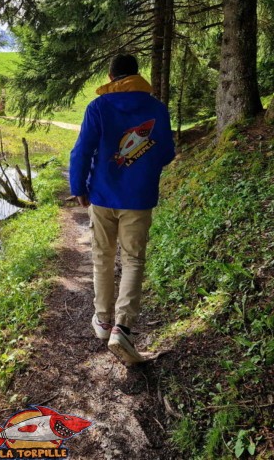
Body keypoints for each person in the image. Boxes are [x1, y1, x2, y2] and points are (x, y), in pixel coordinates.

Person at [69, 54, 175, 363]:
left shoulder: (98, 107)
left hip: (102, 196)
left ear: (111, 76)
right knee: (133, 260)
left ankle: (102, 320)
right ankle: (123, 328)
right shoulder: (156, 108)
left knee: (102, 256)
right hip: (139, 198)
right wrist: (141, 169)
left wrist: (79, 188)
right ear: (136, 75)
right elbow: (166, 151)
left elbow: (82, 151)